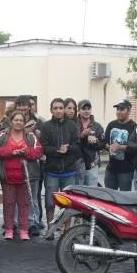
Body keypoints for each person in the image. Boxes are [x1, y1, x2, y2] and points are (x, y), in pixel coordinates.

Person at [0, 111, 43, 240]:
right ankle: (9, 229)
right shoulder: (2, 135)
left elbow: (38, 151)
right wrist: (12, 152)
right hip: (7, 177)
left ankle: (24, 229)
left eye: (21, 120)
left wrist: (25, 152)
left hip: (25, 177)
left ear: (24, 122)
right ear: (11, 121)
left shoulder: (31, 136)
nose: (18, 122)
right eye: (16, 120)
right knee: (8, 203)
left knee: (24, 204)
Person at [40, 98, 81, 229]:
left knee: (67, 204)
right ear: (51, 110)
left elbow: (77, 145)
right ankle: (50, 229)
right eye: (55, 108)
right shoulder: (46, 126)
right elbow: (44, 147)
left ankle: (66, 230)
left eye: (60, 108)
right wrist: (57, 151)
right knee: (50, 203)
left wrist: (68, 148)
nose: (58, 110)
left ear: (64, 109)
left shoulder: (72, 125)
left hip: (69, 171)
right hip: (52, 171)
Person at [104, 99, 137, 190]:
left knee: (124, 199)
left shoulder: (134, 127)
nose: (119, 112)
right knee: (109, 197)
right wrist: (109, 147)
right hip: (111, 169)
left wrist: (120, 147)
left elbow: (135, 147)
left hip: (126, 171)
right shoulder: (111, 124)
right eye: (117, 109)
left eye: (122, 109)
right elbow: (104, 142)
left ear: (129, 110)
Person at [75, 99, 104, 186]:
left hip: (92, 164)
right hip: (77, 163)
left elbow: (102, 144)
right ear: (79, 110)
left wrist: (95, 141)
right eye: (84, 109)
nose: (86, 111)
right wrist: (82, 136)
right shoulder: (74, 124)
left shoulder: (97, 126)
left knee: (91, 191)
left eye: (88, 108)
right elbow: (72, 143)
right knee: (79, 192)